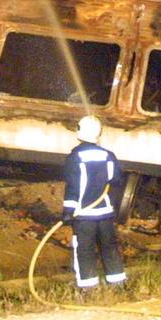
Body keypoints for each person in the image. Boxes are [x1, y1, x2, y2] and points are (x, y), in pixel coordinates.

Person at [62, 115, 127, 293]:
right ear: (99, 133)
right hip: (105, 213)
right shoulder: (108, 156)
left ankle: (88, 289)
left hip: (83, 215)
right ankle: (118, 285)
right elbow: (115, 180)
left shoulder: (75, 157)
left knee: (84, 249)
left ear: (79, 130)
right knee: (109, 247)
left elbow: (73, 186)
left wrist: (68, 210)